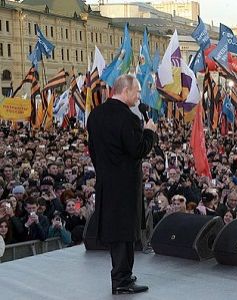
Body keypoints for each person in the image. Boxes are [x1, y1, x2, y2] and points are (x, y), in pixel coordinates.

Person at [87, 74, 157, 295]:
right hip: (125, 185)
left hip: (107, 182)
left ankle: (123, 274)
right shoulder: (128, 118)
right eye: (136, 91)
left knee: (117, 231)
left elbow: (93, 151)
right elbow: (138, 150)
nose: (138, 96)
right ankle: (122, 280)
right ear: (125, 91)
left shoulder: (95, 115)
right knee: (124, 232)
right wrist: (149, 133)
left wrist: (105, 171)